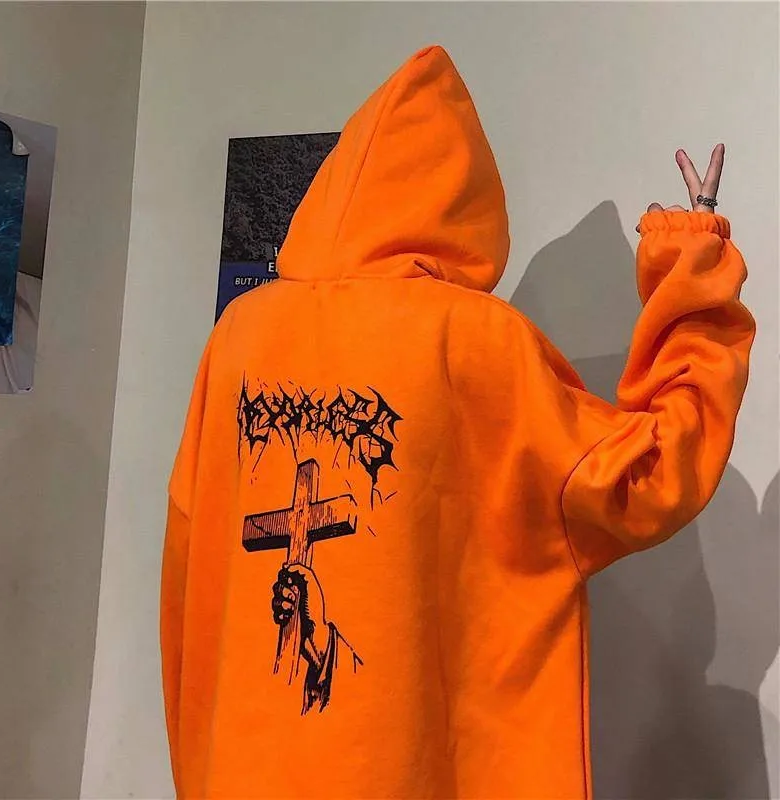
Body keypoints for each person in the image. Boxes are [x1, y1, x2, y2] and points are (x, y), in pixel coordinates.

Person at [161, 45, 755, 798]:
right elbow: (648, 477)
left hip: (244, 772)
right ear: (466, 204)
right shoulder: (474, 339)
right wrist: (691, 269)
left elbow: (188, 571)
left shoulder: (237, 338)